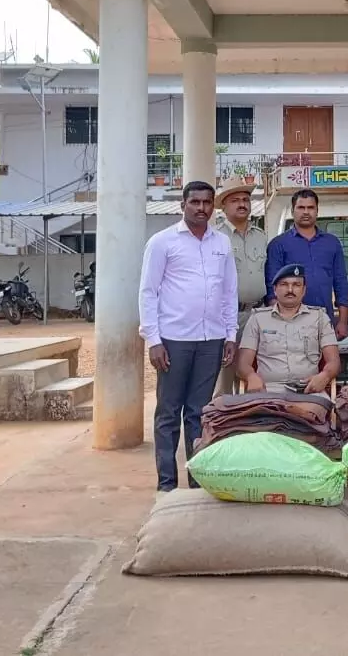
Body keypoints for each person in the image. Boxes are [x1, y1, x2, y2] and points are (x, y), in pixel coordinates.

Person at [139, 180, 238, 492]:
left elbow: (229, 292)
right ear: (183, 205)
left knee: (199, 412)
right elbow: (148, 292)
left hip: (211, 340)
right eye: (195, 202)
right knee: (169, 413)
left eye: (207, 203)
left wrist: (230, 334)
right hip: (173, 340)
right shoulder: (162, 242)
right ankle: (167, 485)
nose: (201, 208)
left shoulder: (222, 243)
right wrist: (153, 340)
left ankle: (198, 483)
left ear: (213, 207)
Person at [238, 263, 341, 395]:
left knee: (313, 409)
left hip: (308, 390)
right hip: (267, 391)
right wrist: (251, 376)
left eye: (296, 285)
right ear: (275, 290)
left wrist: (325, 376)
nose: (290, 289)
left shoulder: (320, 318)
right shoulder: (258, 319)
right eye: (284, 284)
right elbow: (243, 364)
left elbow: (334, 361)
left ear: (304, 290)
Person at [265, 189, 348, 342]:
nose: (306, 212)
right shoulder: (278, 244)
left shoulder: (332, 243)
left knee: (327, 358)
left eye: (310, 207)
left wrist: (343, 321)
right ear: (293, 211)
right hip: (290, 323)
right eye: (301, 207)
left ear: (317, 211)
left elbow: (341, 282)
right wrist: (279, 323)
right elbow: (272, 288)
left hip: (325, 320)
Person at [214, 182, 268, 396]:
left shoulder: (261, 236)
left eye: (245, 200)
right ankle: (222, 415)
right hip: (227, 316)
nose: (242, 204)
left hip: (258, 313)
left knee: (256, 373)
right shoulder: (215, 237)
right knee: (224, 376)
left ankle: (252, 415)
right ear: (224, 206)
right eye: (235, 200)